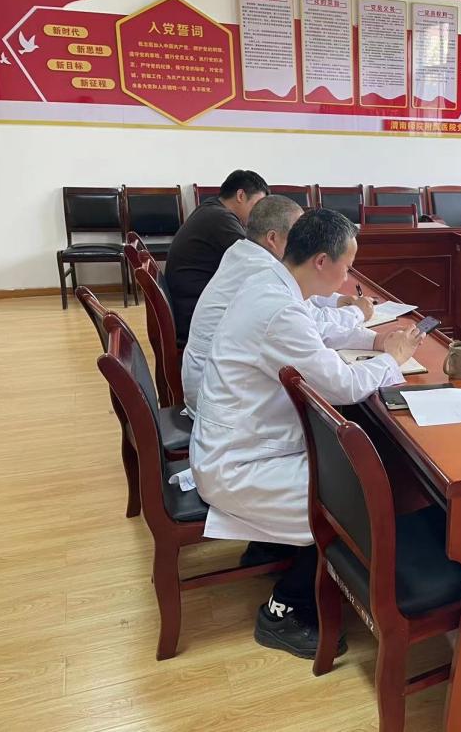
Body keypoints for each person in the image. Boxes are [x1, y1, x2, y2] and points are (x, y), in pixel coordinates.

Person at [189, 208, 424, 659]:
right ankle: (284, 610)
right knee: (350, 498)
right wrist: (390, 360)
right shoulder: (277, 307)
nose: (349, 277)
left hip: (243, 441)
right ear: (321, 261)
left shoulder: (271, 283)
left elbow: (313, 333)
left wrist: (374, 342)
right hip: (239, 463)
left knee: (349, 463)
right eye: (347, 266)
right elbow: (342, 385)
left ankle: (271, 550)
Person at [182, 195, 376, 417]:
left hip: (219, 391)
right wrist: (360, 317)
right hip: (226, 407)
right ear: (273, 238)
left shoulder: (250, 257)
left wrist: (352, 318)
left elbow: (305, 308)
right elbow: (341, 384)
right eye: (297, 234)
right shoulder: (262, 273)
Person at [165, 170, 270, 343]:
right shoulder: (220, 218)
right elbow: (256, 259)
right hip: (194, 319)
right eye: (257, 205)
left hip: (188, 306)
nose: (258, 214)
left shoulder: (212, 208)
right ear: (241, 195)